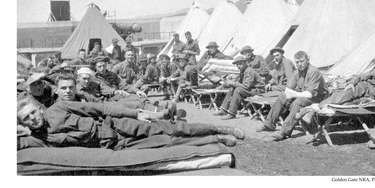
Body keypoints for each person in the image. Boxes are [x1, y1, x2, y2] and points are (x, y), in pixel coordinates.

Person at [17, 98, 246, 150]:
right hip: (113, 147)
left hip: (118, 125)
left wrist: (136, 115)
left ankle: (218, 128)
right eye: (26, 119)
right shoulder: (40, 139)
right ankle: (215, 140)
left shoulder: (59, 108)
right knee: (166, 144)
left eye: (32, 113)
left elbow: (100, 108)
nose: (32, 119)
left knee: (174, 128)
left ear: (39, 108)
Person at [297, 49, 375, 126]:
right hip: (365, 86)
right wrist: (352, 83)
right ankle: (311, 112)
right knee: (341, 97)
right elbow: (360, 76)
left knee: (347, 104)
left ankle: (308, 110)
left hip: (374, 97)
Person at [256, 51, 327, 141]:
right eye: (297, 62)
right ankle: (269, 124)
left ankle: (284, 132)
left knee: (298, 102)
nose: (299, 64)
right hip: (303, 95)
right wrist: (289, 94)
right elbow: (288, 89)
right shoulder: (297, 72)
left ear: (307, 60)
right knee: (283, 95)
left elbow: (309, 94)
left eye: (302, 61)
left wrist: (293, 94)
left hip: (319, 98)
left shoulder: (313, 72)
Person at [213, 56, 264, 120]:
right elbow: (239, 82)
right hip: (251, 89)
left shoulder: (249, 71)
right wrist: (231, 82)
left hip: (258, 90)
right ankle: (224, 109)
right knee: (232, 88)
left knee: (238, 90)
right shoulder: (243, 71)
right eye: (237, 65)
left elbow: (246, 86)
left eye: (240, 64)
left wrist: (234, 83)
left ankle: (232, 113)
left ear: (245, 63)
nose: (238, 66)